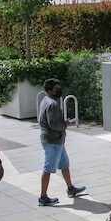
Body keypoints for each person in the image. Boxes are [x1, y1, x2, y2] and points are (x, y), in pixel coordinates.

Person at [38, 78, 85, 206]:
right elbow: (53, 124)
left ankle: (71, 189)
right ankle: (43, 197)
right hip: (53, 141)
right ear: (49, 90)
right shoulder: (52, 104)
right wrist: (65, 124)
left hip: (56, 140)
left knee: (64, 164)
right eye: (56, 89)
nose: (59, 91)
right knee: (48, 168)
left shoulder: (46, 100)